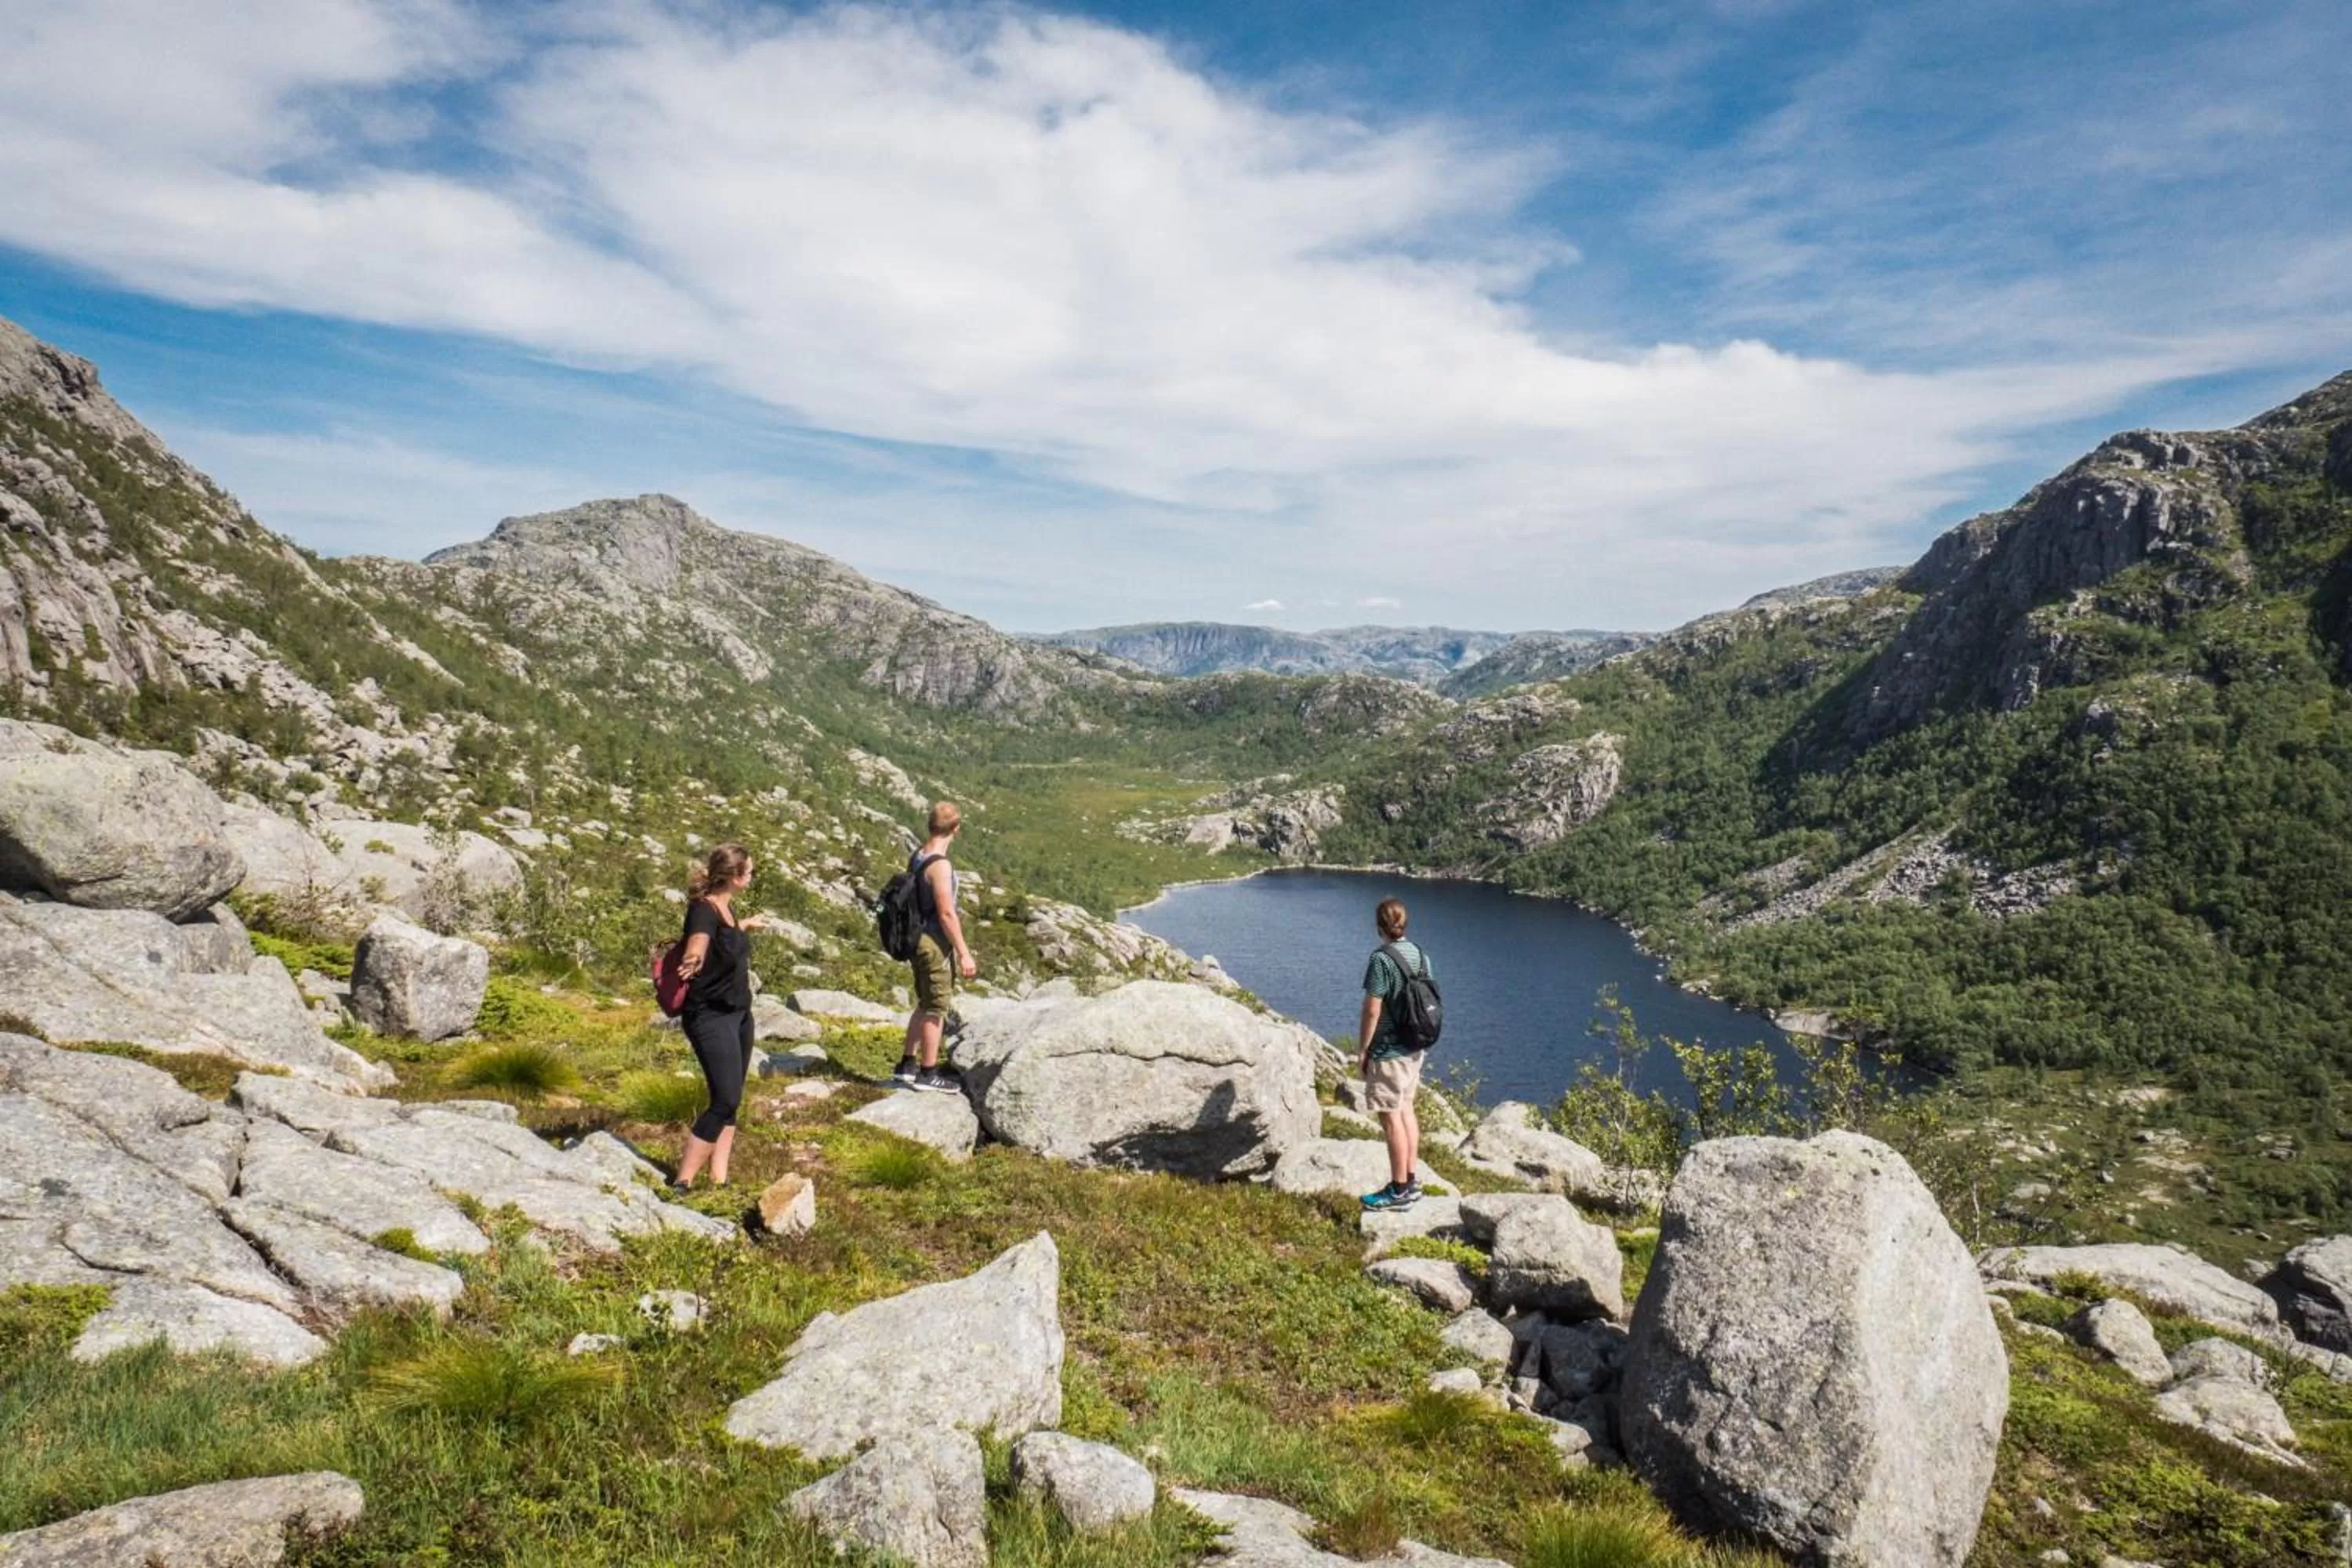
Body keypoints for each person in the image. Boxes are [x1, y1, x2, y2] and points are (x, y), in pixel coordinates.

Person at [671, 843, 757, 1191]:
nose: (752, 876)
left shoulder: (727, 908)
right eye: (749, 871)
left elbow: (725, 938)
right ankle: (683, 1181)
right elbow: (699, 943)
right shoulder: (704, 911)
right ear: (735, 878)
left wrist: (746, 926)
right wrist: (692, 959)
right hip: (711, 1016)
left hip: (739, 1015)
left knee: (732, 1095)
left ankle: (719, 1178)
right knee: (724, 1099)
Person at [894, 800, 977, 1092]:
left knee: (924, 1001)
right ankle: (927, 1073)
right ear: (956, 829)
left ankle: (906, 1064)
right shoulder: (940, 866)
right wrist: (964, 952)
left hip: (916, 939)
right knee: (936, 1008)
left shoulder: (919, 854)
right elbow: (945, 913)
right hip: (932, 944)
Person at [1358, 896, 1430, 1211]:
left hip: (1389, 1051)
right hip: (1414, 1046)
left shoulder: (1381, 960)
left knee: (1391, 1120)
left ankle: (1398, 1189)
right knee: (1407, 1110)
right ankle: (1411, 1181)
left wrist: (1363, 1049)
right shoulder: (1419, 954)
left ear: (1379, 927)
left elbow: (1373, 1008)